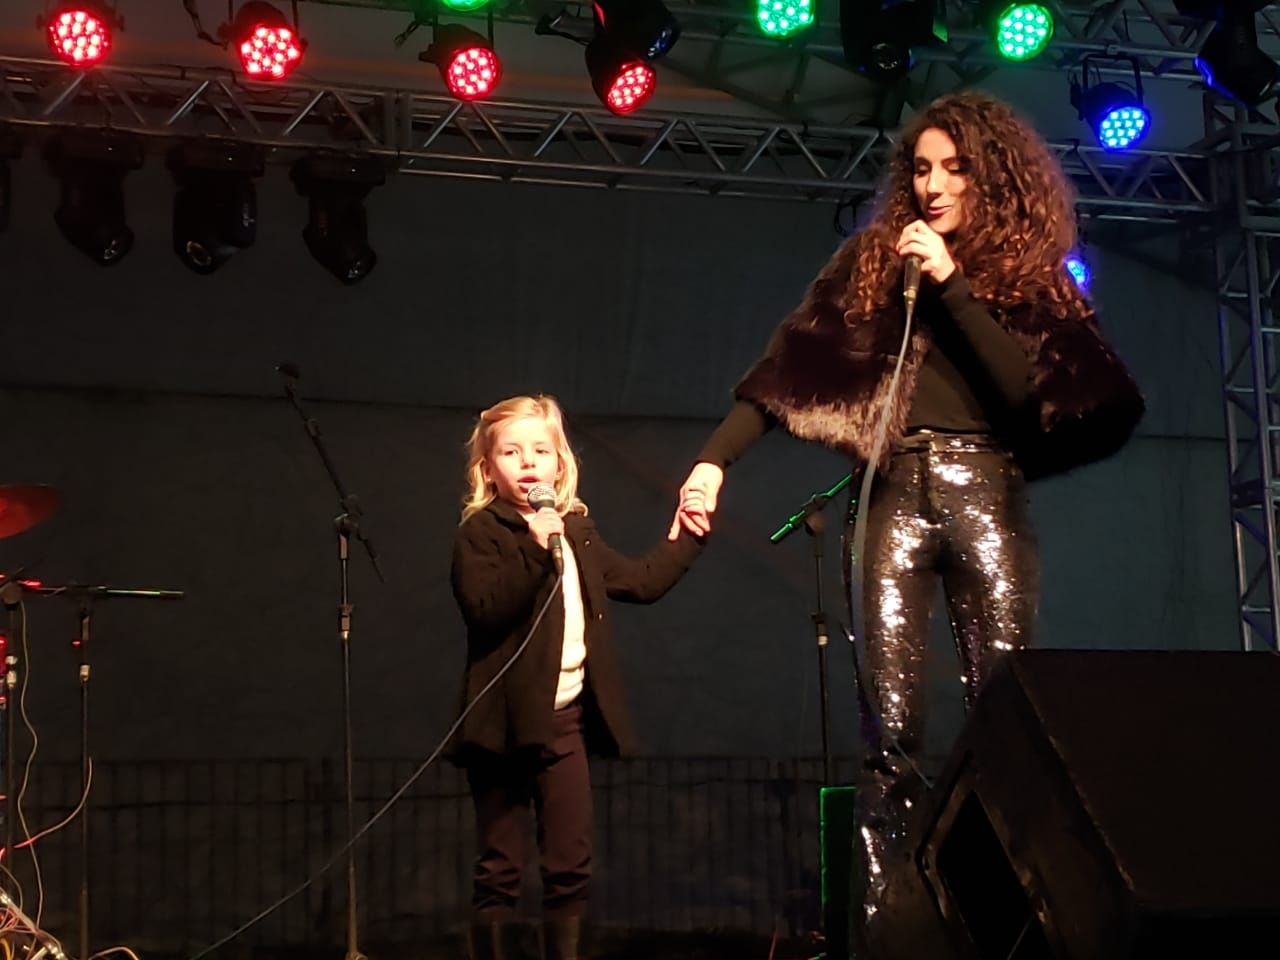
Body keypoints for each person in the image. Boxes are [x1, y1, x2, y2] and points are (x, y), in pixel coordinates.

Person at [667, 91, 1144, 942]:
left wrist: (953, 285)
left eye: (954, 169)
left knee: (1005, 716)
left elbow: (1028, 393)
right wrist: (712, 461)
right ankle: (892, 930)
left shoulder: (1027, 274)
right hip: (892, 489)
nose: (933, 186)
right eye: (921, 169)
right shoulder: (874, 263)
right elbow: (789, 371)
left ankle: (1012, 919)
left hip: (985, 489)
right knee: (888, 727)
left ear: (990, 177)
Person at [450, 394, 703, 960]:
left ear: (560, 464)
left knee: (570, 864)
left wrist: (687, 536)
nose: (528, 462)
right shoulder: (482, 533)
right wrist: (535, 549)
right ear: (488, 469)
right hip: (502, 726)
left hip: (564, 724)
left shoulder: (576, 531)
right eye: (512, 452)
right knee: (500, 867)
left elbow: (641, 581)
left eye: (541, 451)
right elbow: (486, 608)